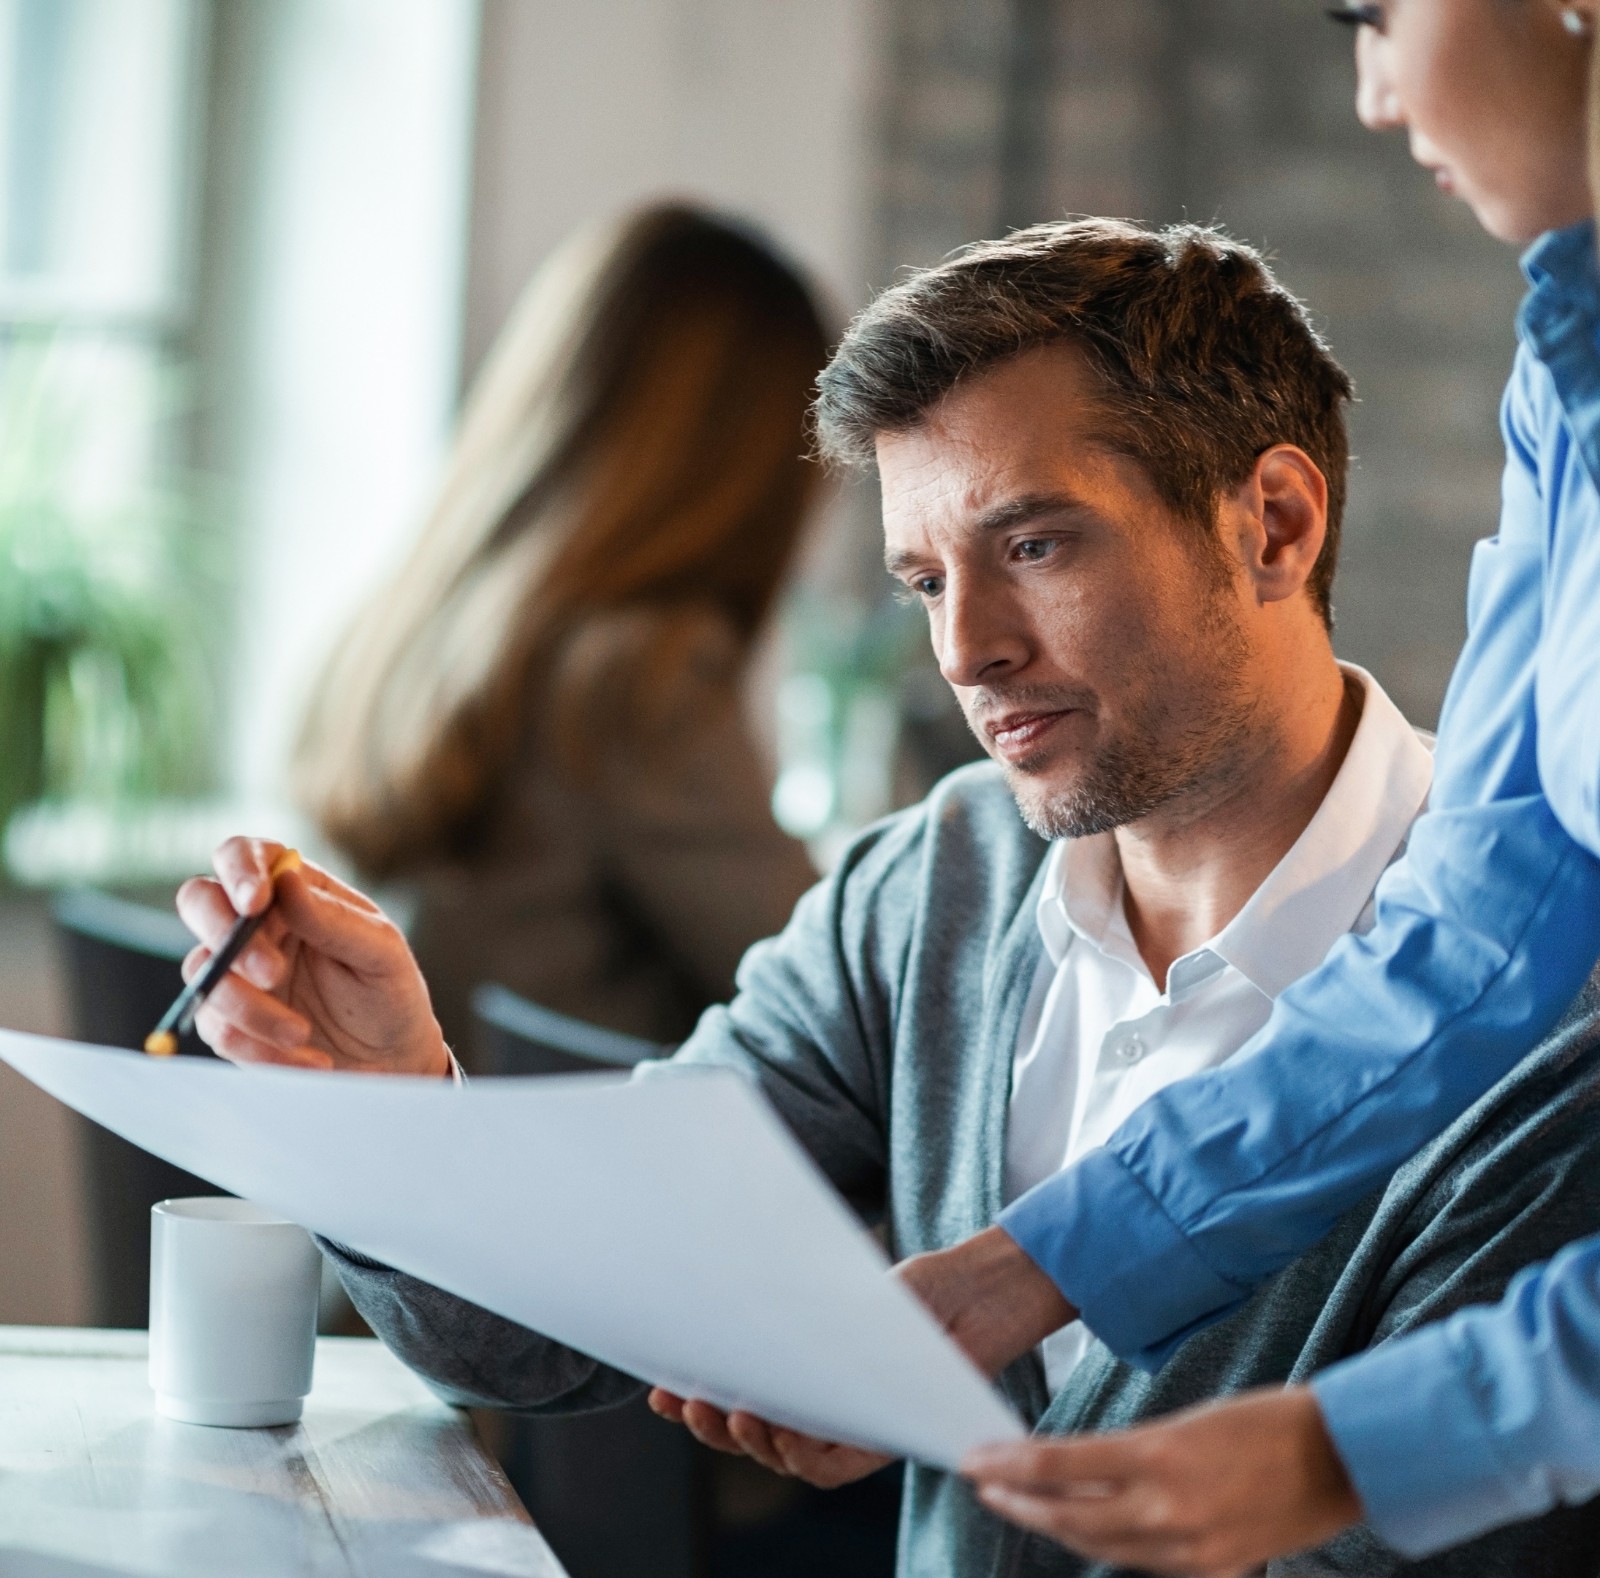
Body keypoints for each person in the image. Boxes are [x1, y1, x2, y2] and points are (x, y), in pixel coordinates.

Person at [176, 218, 1600, 1574]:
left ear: (1274, 525)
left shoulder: (1543, 1042)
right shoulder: (935, 888)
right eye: (924, 580)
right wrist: (395, 1110)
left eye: (1035, 544)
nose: (968, 649)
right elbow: (543, 1338)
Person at [940, 4, 1600, 1574]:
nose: (1373, 92)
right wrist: (1028, 1266)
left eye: (1377, 14)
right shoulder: (1565, 376)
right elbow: (1472, 943)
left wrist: (1360, 1440)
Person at [293, 204, 822, 1060]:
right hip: (568, 1170)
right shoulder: (637, 673)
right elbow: (832, 990)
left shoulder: (419, 622)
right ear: (746, 465)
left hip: (422, 1148)